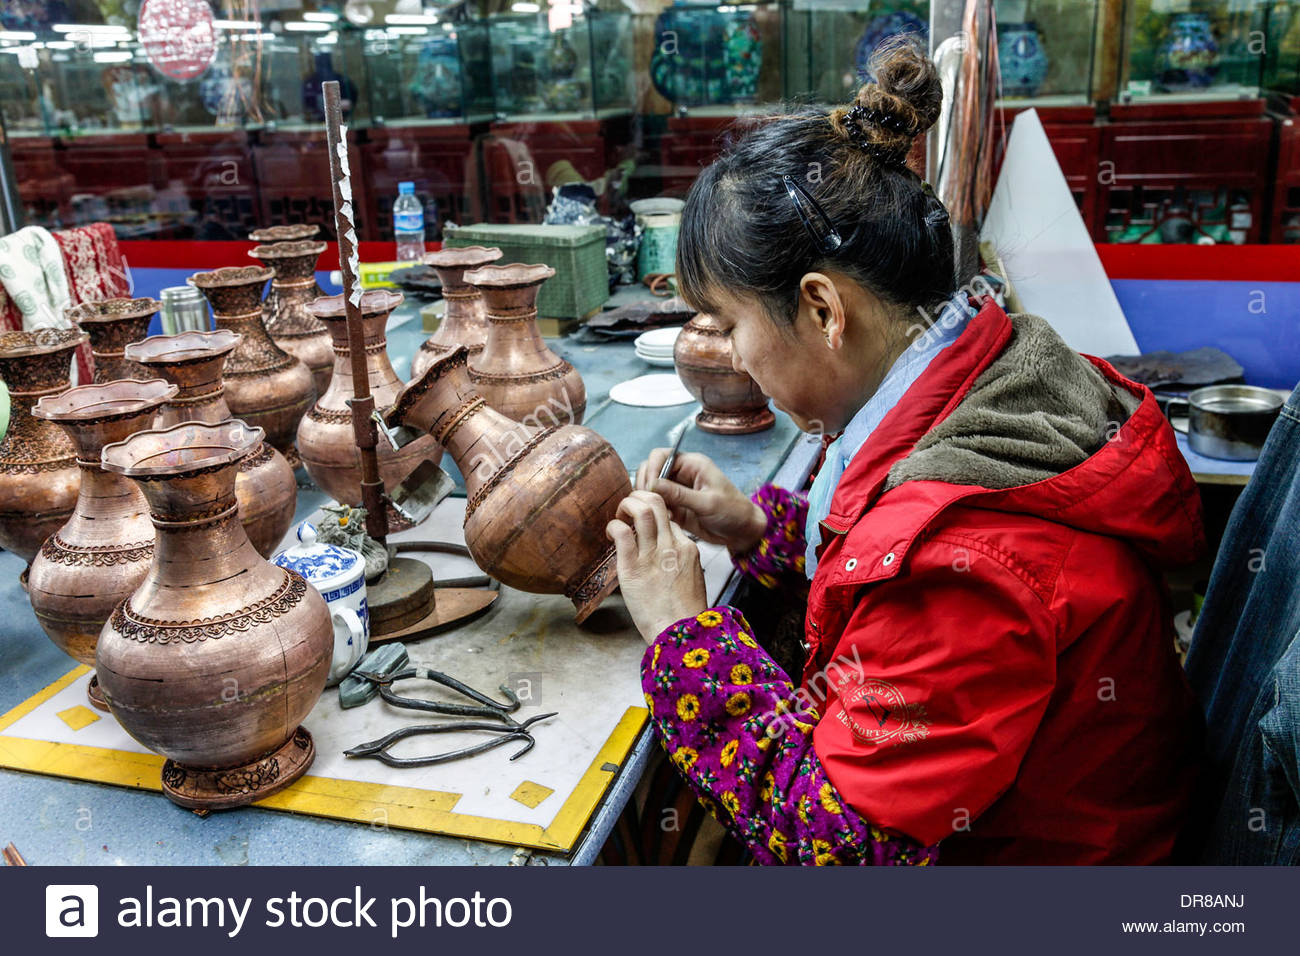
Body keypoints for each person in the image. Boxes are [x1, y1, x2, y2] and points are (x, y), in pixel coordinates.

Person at [605, 42, 1206, 866]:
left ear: (822, 309)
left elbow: (841, 846)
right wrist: (754, 530)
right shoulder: (987, 368)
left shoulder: (975, 558)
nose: (732, 358)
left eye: (728, 323)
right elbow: (880, 563)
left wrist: (684, 633)